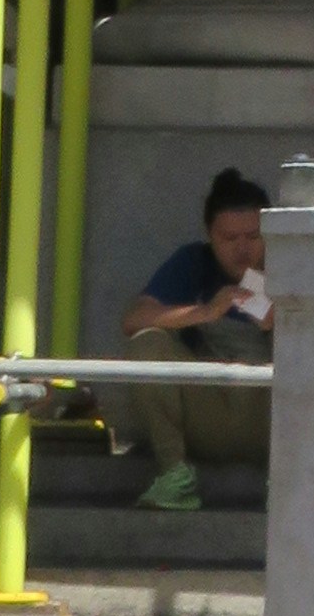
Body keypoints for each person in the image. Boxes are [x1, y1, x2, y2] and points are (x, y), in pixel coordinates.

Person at [114, 170, 273, 511]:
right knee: (147, 343)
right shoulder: (195, 263)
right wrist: (206, 312)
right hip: (210, 414)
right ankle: (175, 474)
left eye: (253, 237)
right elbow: (134, 319)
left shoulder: (293, 266)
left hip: (273, 419)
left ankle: (291, 482)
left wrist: (285, 324)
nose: (242, 249)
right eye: (229, 239)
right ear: (210, 236)